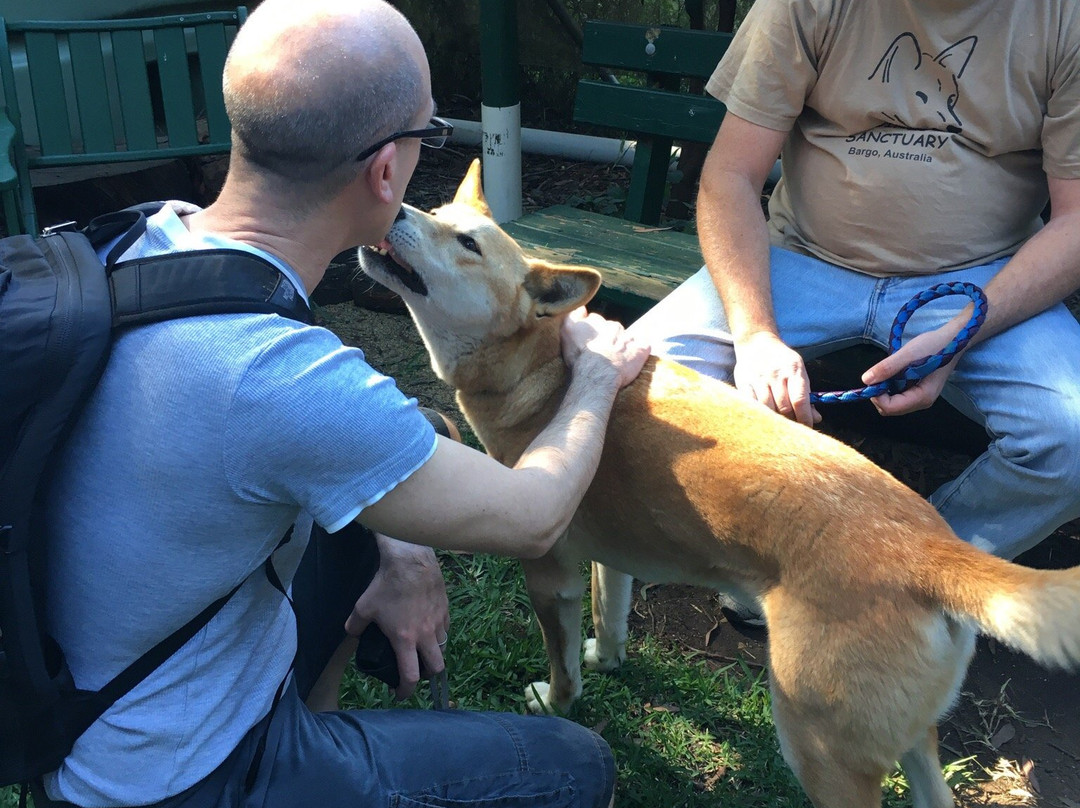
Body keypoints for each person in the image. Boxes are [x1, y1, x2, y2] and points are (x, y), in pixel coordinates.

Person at [39, 1, 648, 806]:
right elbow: (535, 517)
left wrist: (403, 548)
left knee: (405, 458)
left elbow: (351, 440)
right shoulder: (281, 378)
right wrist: (597, 376)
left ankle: (314, 723)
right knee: (575, 766)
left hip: (79, 714)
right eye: (429, 135)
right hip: (179, 778)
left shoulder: (138, 237)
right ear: (386, 171)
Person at [629, 0, 1080, 627]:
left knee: (1071, 438)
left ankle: (905, 579)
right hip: (803, 258)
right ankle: (759, 560)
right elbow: (729, 175)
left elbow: (1075, 220)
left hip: (980, 278)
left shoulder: (1062, 19)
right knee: (634, 381)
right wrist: (755, 335)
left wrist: (963, 333)